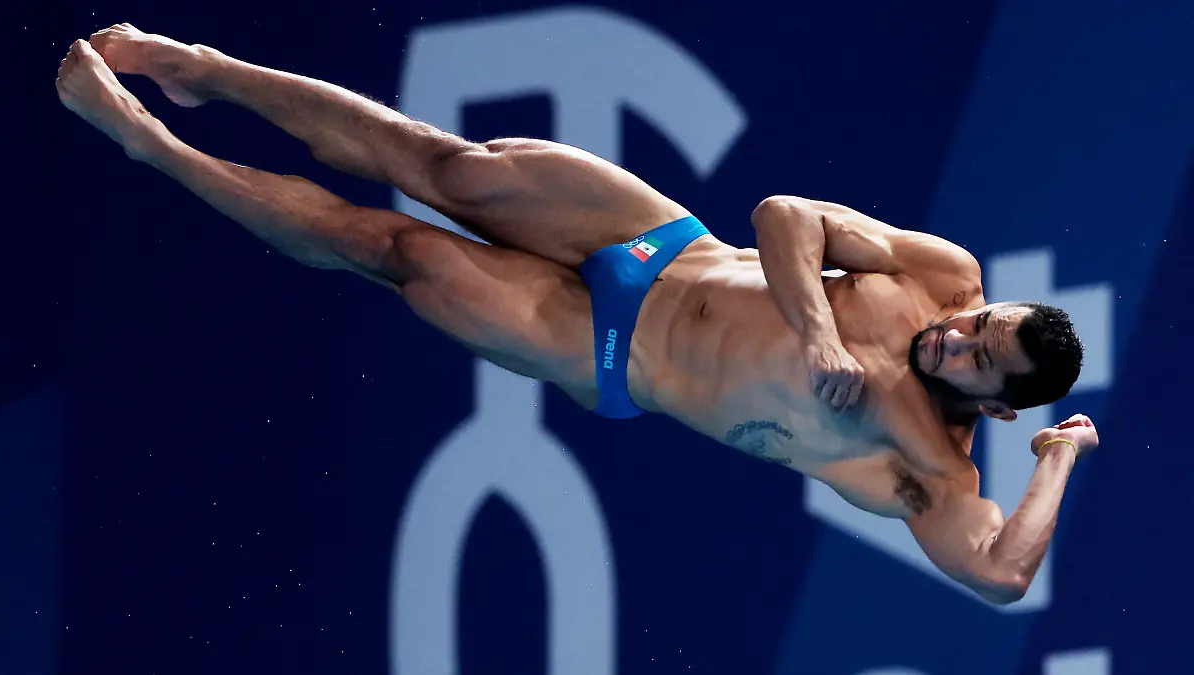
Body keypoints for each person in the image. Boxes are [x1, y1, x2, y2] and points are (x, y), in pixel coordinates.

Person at [56, 25, 1097, 605]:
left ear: (994, 408)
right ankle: (208, 71)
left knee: (394, 251)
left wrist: (1058, 461)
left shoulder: (923, 466)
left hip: (606, 350)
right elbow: (786, 216)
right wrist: (820, 334)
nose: (953, 334)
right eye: (977, 321)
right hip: (663, 241)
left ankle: (155, 145)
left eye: (974, 358)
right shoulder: (940, 274)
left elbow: (1002, 574)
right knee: (443, 161)